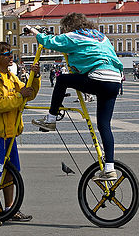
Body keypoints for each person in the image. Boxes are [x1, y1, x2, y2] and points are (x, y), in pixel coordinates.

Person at [28, 12, 123, 181]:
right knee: (104, 124)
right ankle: (109, 168)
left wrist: (35, 33)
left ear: (68, 27)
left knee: (62, 79)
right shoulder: (101, 36)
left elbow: (49, 42)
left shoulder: (73, 36)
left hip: (99, 76)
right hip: (115, 80)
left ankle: (50, 119)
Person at [0, 40, 41, 227]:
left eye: (10, 52)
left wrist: (35, 77)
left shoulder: (12, 78)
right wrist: (20, 95)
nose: (10, 55)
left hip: (10, 133)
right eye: (6, 53)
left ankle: (9, 209)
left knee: (10, 174)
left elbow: (29, 93)